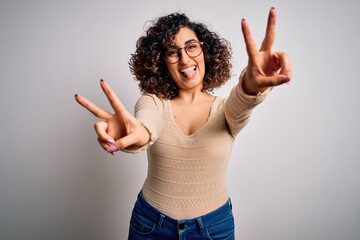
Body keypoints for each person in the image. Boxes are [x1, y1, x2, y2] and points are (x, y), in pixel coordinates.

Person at [75, 7, 292, 240]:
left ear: (205, 50)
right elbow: (148, 125)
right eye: (172, 52)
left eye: (191, 46)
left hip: (214, 228)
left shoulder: (224, 109)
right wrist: (136, 134)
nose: (185, 59)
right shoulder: (153, 102)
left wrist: (252, 82)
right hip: (151, 226)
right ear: (161, 62)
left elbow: (243, 100)